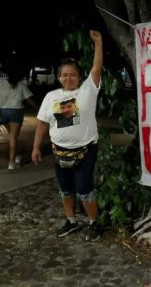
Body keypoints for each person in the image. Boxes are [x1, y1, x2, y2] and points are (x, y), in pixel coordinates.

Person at [31, 30, 103, 241]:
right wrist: (36, 147)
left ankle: (93, 223)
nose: (68, 78)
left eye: (72, 74)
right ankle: (71, 221)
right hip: (59, 152)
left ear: (79, 76)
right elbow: (43, 123)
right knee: (66, 189)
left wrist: (98, 43)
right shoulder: (51, 96)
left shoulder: (88, 91)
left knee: (84, 188)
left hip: (86, 149)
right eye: (65, 74)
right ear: (59, 77)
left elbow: (97, 67)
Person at [0, 61, 38, 170]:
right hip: (16, 112)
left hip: (3, 112)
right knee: (13, 137)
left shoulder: (0, 83)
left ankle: (16, 156)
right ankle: (11, 163)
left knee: (12, 136)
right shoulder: (21, 85)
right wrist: (38, 108)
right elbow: (29, 99)